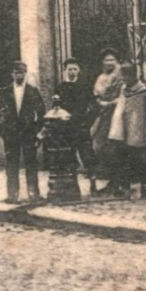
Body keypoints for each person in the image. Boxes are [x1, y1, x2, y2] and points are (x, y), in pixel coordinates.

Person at [0, 60, 45, 204]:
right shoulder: (5, 92)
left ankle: (33, 194)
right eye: (16, 73)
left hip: (29, 133)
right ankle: (12, 195)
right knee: (11, 163)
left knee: (31, 163)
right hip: (11, 134)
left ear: (25, 74)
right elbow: (0, 113)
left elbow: (41, 112)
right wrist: (3, 129)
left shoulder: (33, 91)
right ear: (12, 74)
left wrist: (38, 131)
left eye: (21, 72)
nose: (19, 75)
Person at [107, 61, 146, 198]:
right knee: (123, 159)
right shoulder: (123, 89)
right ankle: (125, 187)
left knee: (140, 160)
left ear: (133, 75)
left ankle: (143, 187)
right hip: (123, 130)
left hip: (138, 130)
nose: (124, 79)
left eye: (126, 75)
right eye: (123, 75)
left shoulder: (142, 91)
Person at [51, 57, 98, 192]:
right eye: (69, 69)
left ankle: (93, 184)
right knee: (69, 156)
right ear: (65, 71)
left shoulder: (85, 86)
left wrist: (87, 122)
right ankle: (73, 186)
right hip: (66, 128)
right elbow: (55, 108)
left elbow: (94, 106)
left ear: (79, 71)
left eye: (75, 69)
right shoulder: (60, 88)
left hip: (82, 127)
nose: (72, 72)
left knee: (88, 155)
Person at [90, 48, 124, 193]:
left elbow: (124, 95)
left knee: (115, 148)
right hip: (104, 115)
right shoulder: (100, 78)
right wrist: (100, 103)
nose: (110, 62)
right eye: (107, 60)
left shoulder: (121, 77)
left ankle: (118, 182)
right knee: (99, 146)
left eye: (112, 60)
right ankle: (108, 179)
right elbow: (96, 95)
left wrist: (112, 103)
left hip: (117, 113)